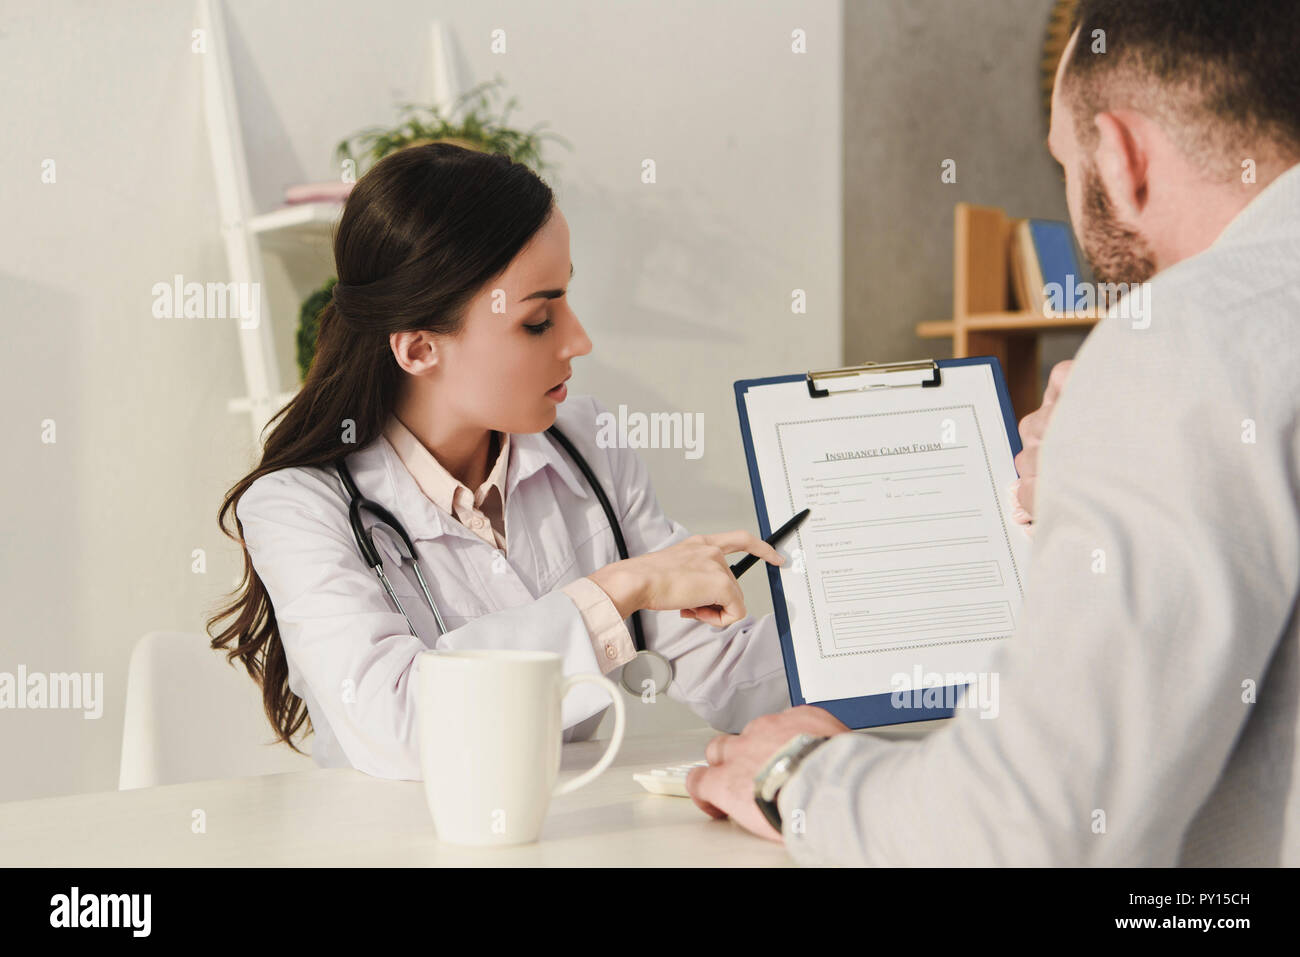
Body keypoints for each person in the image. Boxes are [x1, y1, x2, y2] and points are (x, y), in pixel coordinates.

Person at [687, 0, 1300, 866]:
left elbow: (1023, 834)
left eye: (1063, 160)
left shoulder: (1186, 336)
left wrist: (796, 774)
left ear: (1120, 157)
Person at [207, 143, 791, 779]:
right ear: (421, 349)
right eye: (539, 319)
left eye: (566, 299)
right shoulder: (299, 508)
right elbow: (396, 727)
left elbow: (724, 672)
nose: (579, 340)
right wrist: (616, 591)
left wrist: (881, 631)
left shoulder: (587, 444)